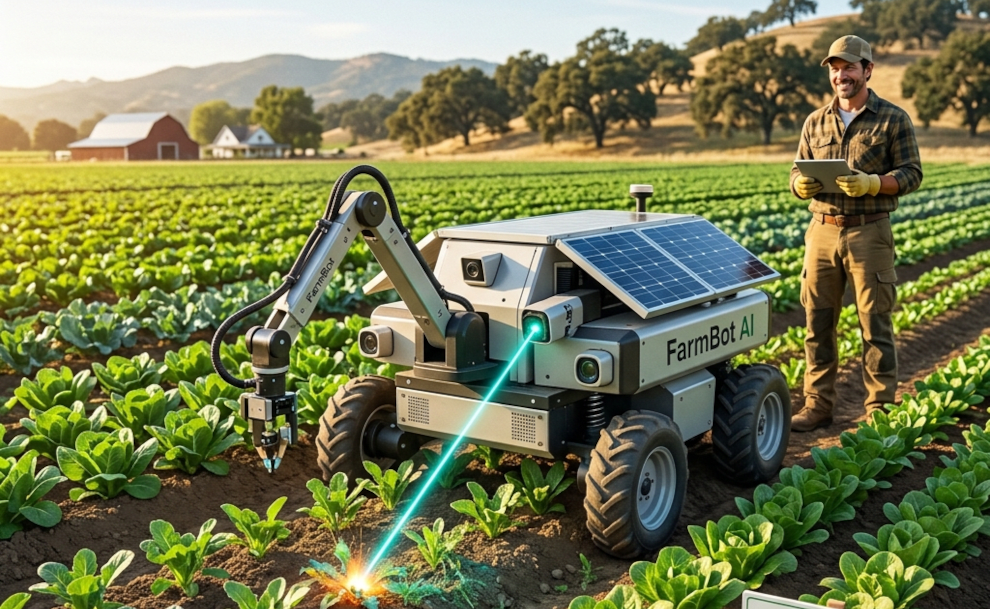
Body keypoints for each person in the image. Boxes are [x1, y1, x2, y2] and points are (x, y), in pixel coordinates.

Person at [789, 35, 923, 432]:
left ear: (867, 69)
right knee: (817, 322)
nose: (840, 75)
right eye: (834, 68)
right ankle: (817, 405)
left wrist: (873, 184)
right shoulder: (815, 120)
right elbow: (796, 171)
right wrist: (800, 186)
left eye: (849, 67)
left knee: (875, 322)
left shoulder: (893, 118)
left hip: (870, 232)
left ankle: (879, 407)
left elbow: (912, 174)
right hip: (822, 231)